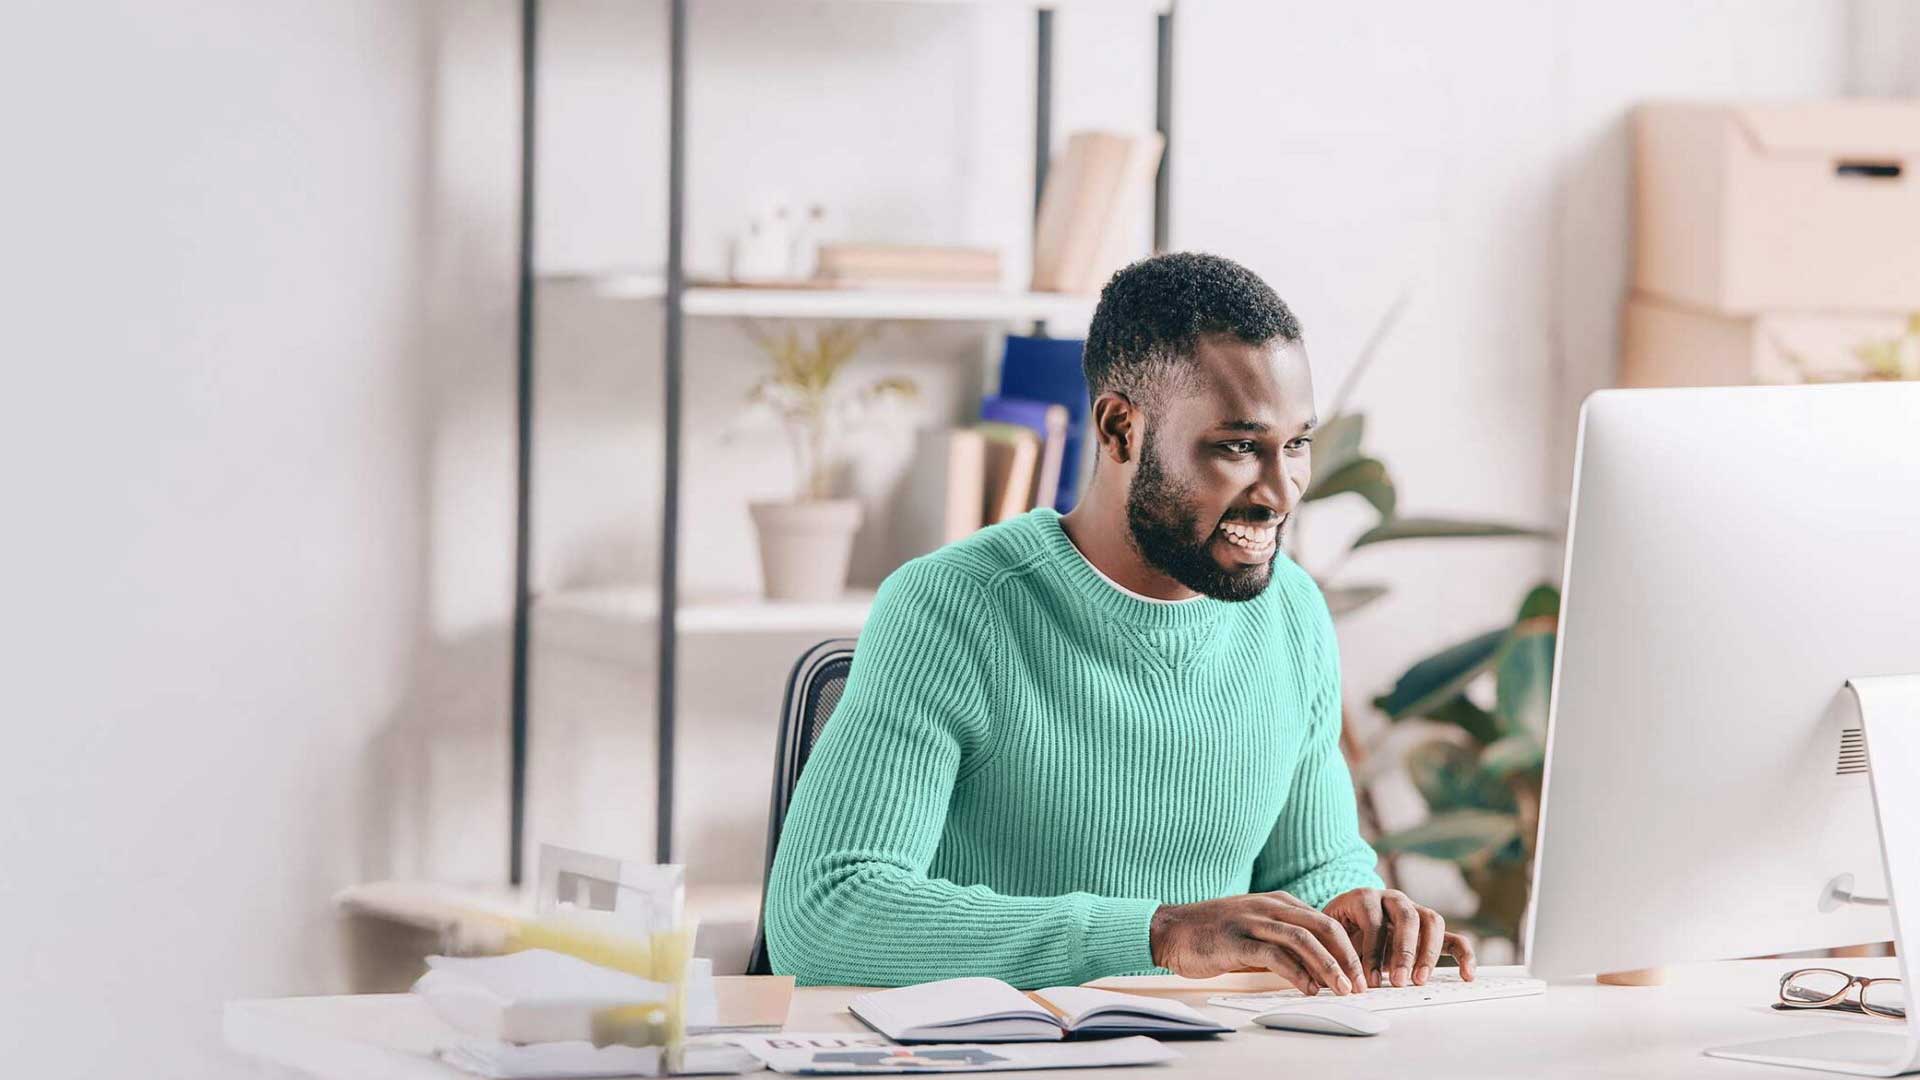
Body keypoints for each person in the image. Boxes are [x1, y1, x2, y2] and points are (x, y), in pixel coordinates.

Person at [764, 252, 1475, 994]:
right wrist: (1161, 934)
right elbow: (824, 916)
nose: (1280, 492)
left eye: (1294, 444)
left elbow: (1310, 865)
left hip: (1221, 1051)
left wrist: (1352, 911)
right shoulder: (952, 607)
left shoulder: (1290, 611)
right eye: (1237, 446)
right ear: (1119, 429)